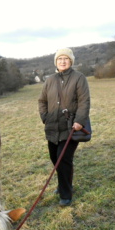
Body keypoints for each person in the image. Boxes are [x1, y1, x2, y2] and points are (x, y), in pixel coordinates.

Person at [38, 48, 90, 206]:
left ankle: (65, 194)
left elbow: (84, 101)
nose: (62, 61)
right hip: (52, 127)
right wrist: (45, 117)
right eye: (59, 58)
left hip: (70, 127)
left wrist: (80, 120)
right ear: (56, 61)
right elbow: (42, 101)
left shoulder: (79, 78)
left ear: (71, 61)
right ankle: (64, 184)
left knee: (63, 160)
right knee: (55, 159)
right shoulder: (50, 80)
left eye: (65, 58)